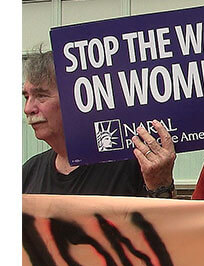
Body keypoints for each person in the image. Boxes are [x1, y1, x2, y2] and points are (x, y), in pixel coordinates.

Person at [22, 50, 176, 197]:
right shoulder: (29, 172)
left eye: (41, 96)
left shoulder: (131, 164)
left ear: (77, 98)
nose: (28, 109)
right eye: (26, 97)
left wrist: (160, 185)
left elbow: (165, 222)